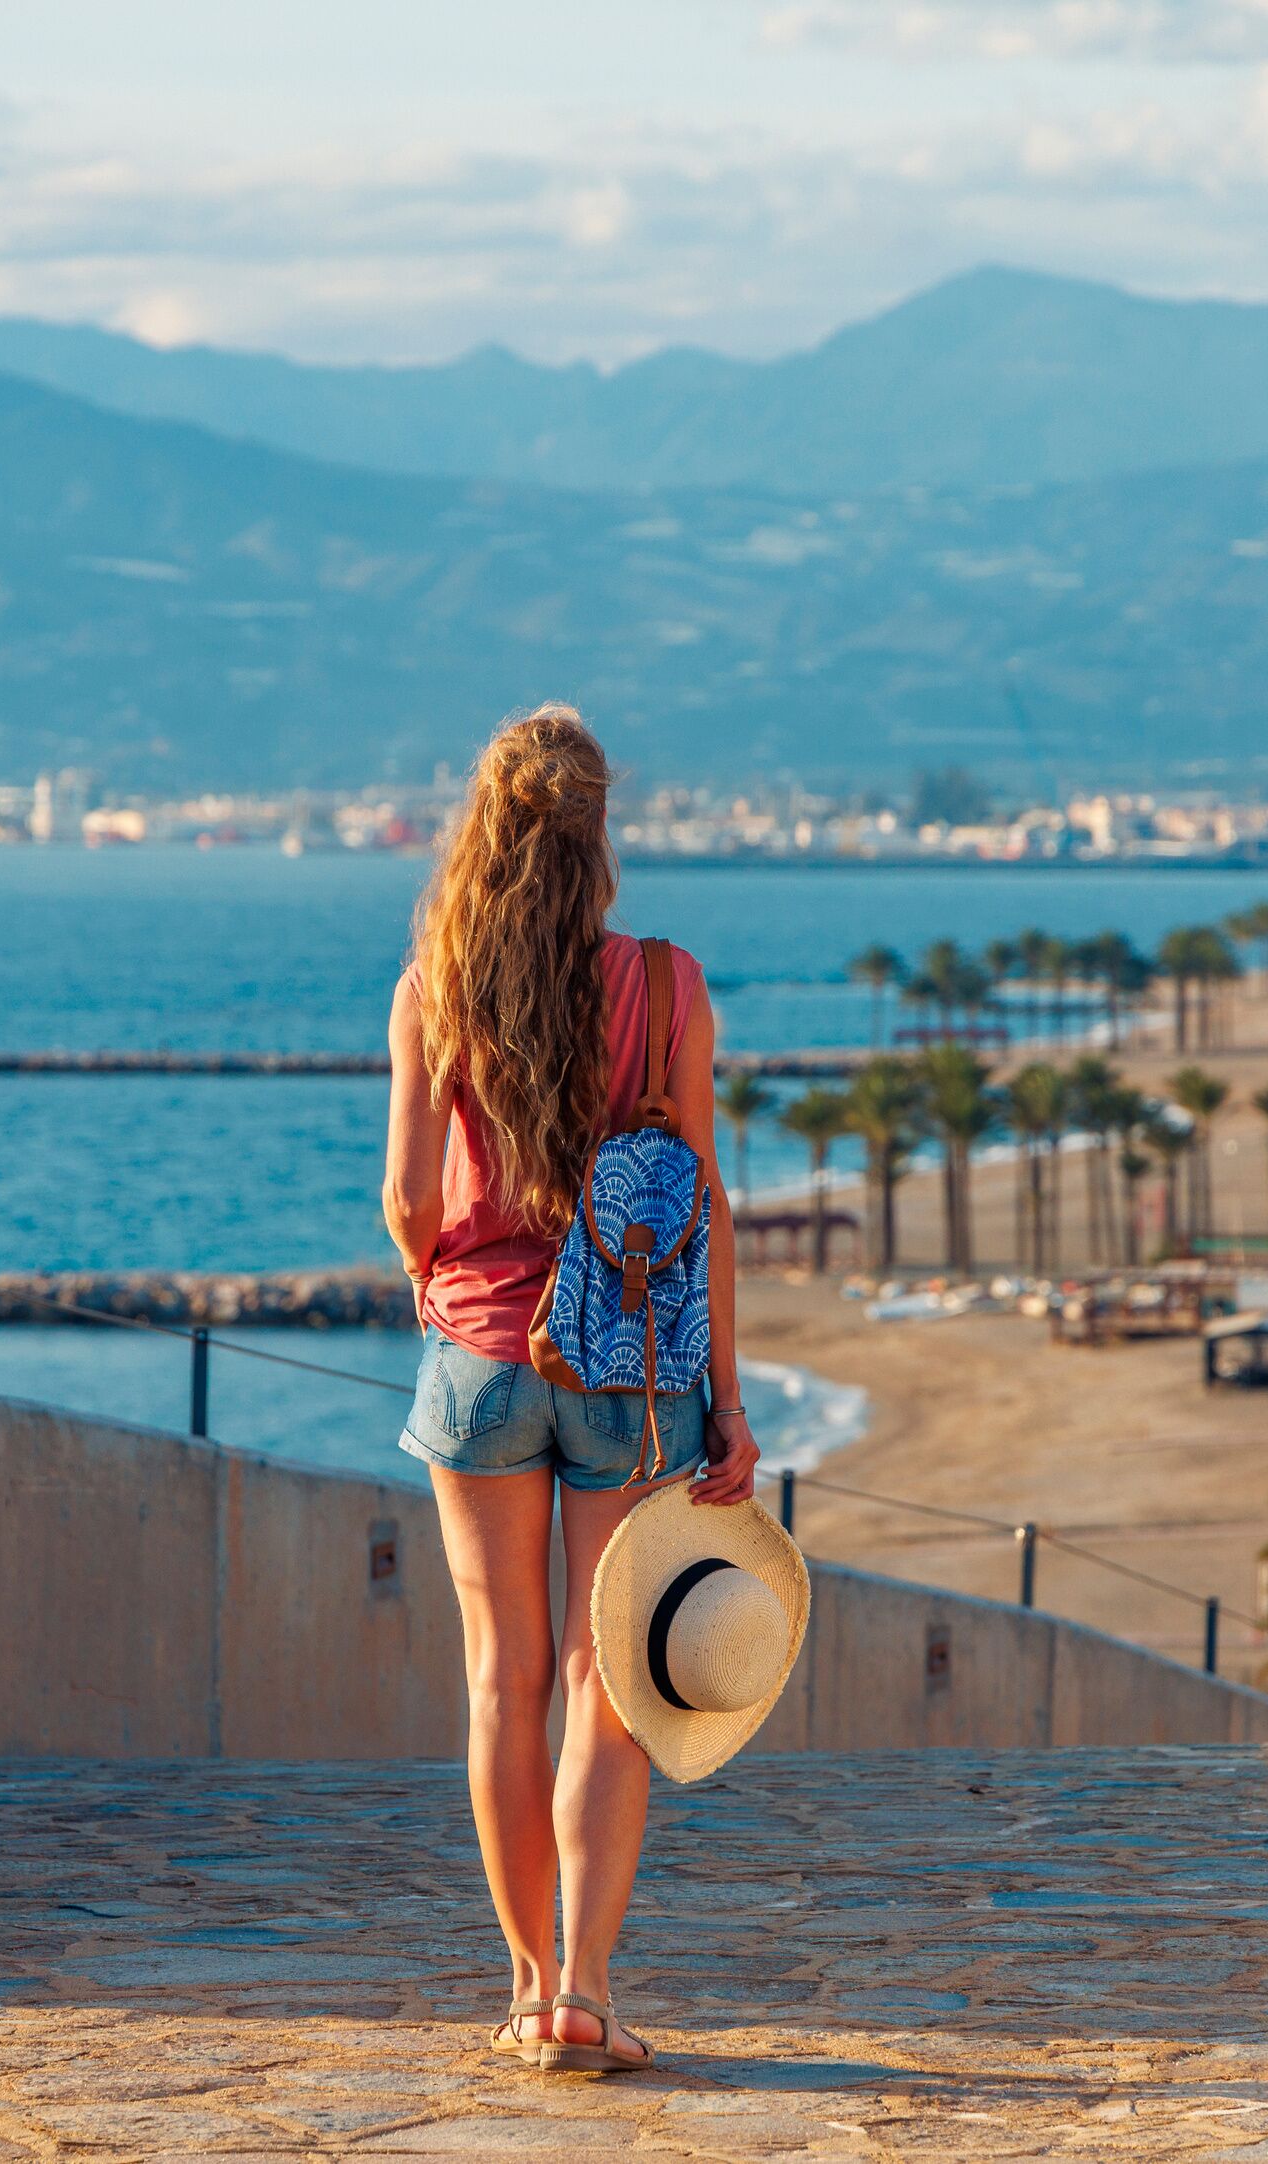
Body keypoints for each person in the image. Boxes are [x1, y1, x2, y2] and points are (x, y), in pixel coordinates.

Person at [383, 704, 758, 2075]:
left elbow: (409, 1200)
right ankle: (591, 1989)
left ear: (484, 832)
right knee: (611, 1684)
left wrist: (442, 1282)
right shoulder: (669, 988)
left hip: (481, 1362)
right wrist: (728, 1398)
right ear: (601, 837)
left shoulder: (438, 988)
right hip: (635, 1370)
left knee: (504, 1681)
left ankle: (528, 1985)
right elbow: (706, 1204)